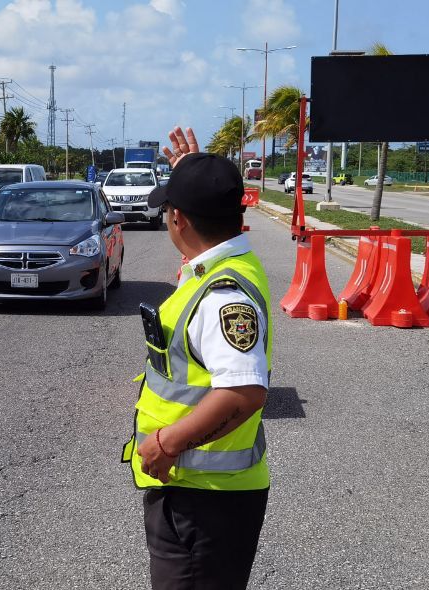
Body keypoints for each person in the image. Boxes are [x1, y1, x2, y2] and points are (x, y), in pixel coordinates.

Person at [123, 127, 273, 590]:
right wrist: (192, 173)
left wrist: (167, 444)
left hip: (203, 499)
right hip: (198, 491)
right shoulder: (216, 267)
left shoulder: (223, 295)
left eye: (170, 208)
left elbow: (242, 394)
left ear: (178, 220)